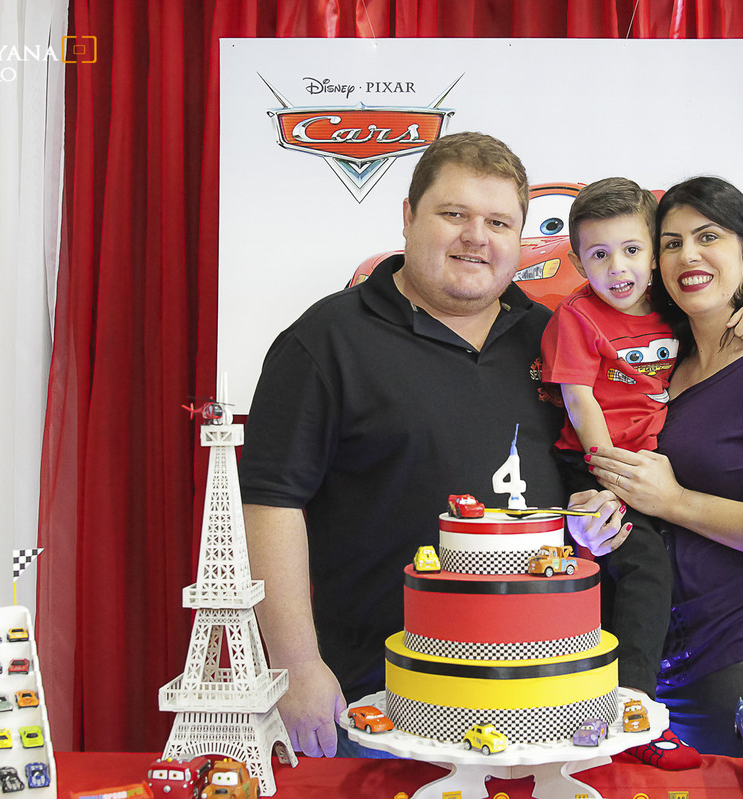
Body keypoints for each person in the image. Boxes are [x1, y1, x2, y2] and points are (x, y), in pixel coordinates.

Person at [238, 132, 567, 759]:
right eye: (454, 214)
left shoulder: (554, 340)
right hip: (380, 700)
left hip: (544, 695)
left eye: (499, 222)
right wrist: (297, 664)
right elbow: (270, 504)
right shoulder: (326, 339)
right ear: (409, 216)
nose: (477, 237)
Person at [567, 176, 743, 756]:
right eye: (671, 243)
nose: (688, 256)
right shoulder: (656, 359)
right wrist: (596, 518)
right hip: (646, 674)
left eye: (708, 237)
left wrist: (675, 501)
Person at [541, 177, 743, 698]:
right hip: (600, 464)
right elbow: (580, 401)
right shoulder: (577, 317)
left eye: (631, 250)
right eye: (599, 255)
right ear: (578, 263)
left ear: (653, 255)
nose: (617, 268)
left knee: (642, 569)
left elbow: (729, 315)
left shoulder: (669, 308)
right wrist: (608, 470)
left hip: (648, 466)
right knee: (643, 569)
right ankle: (631, 694)